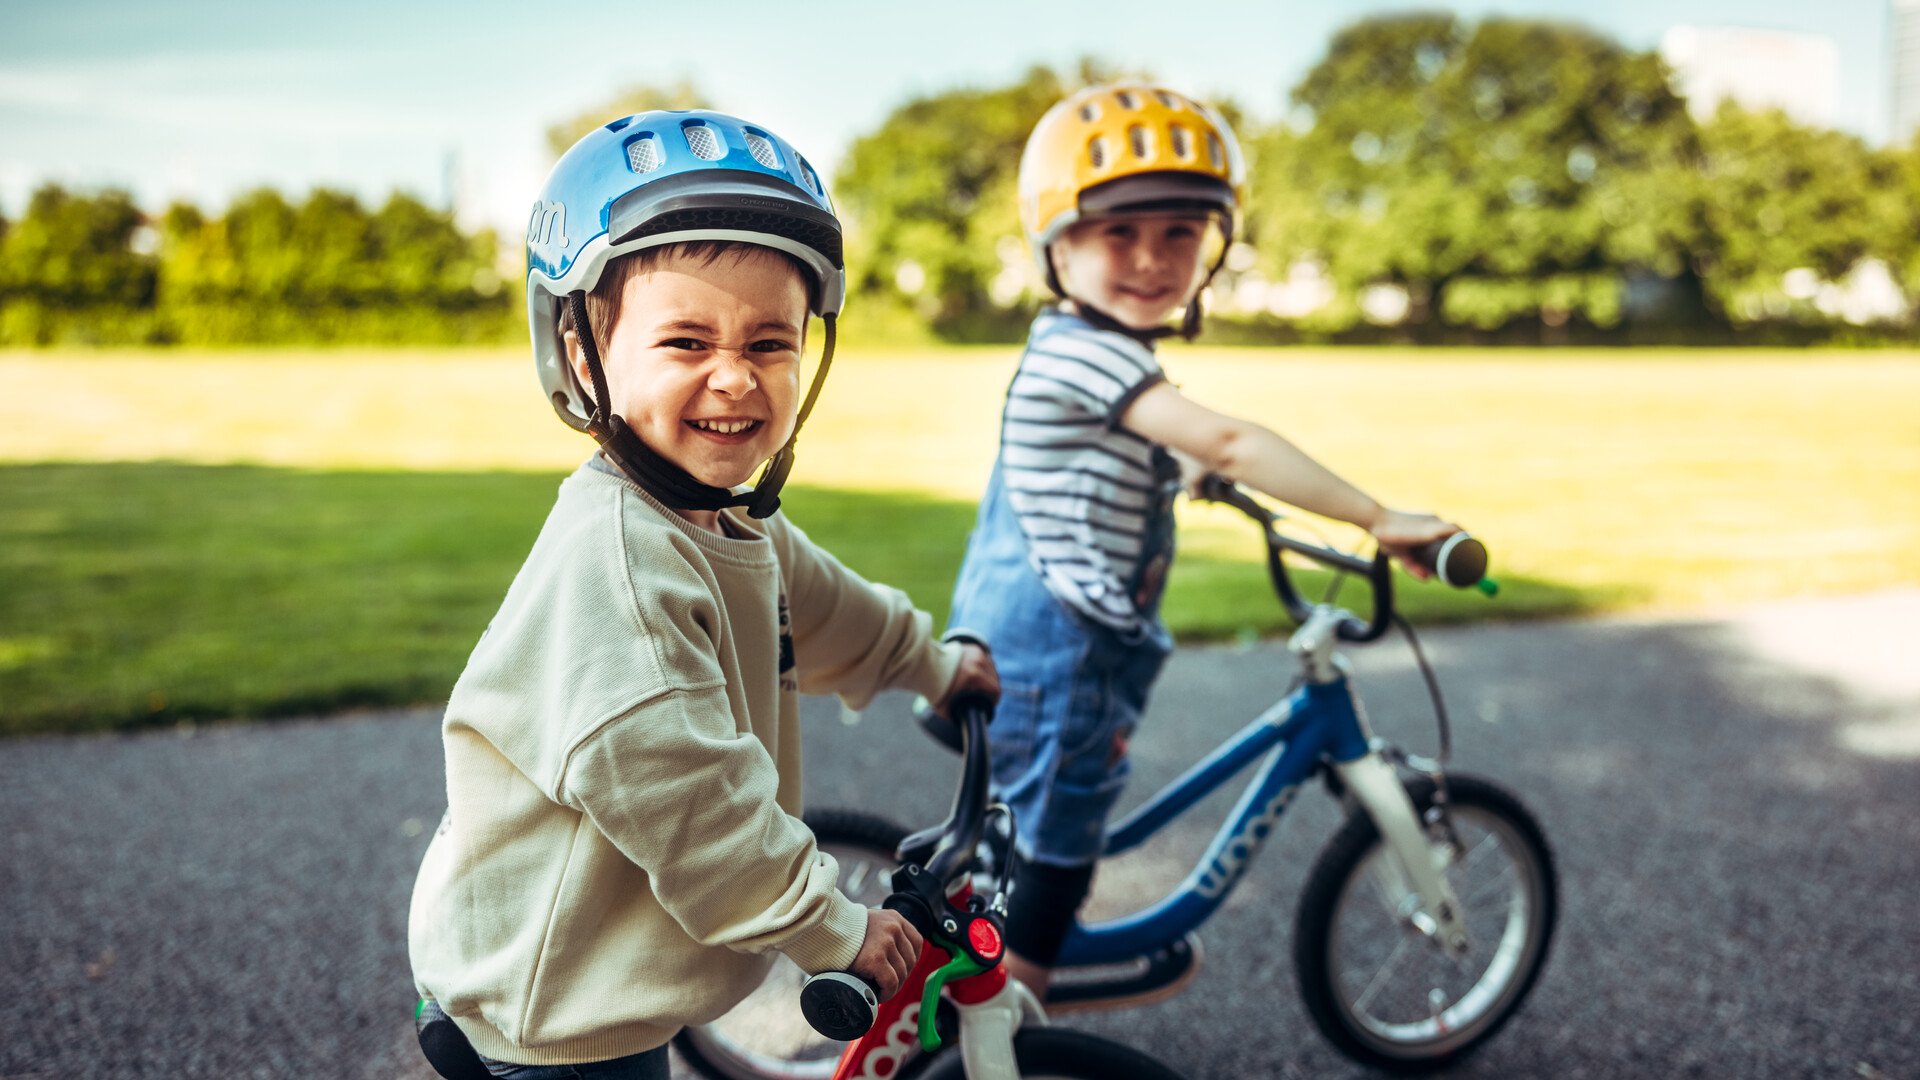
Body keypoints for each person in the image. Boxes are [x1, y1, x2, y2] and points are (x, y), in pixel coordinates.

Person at [408, 110, 998, 1080]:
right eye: (686, 341)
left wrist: (931, 665)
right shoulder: (621, 570)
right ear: (584, 357)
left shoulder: (724, 520)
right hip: (550, 1010)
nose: (736, 374)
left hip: (614, 985)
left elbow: (820, 601)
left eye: (772, 342)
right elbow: (692, 801)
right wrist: (831, 925)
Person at [945, 83, 1459, 1001]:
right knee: (1057, 857)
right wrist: (1378, 518)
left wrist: (1183, 474)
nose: (1152, 258)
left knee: (1041, 833)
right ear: (1056, 243)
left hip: (1042, 648)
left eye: (1181, 232)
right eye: (1119, 233)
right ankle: (1008, 1017)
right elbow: (1227, 437)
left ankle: (1018, 958)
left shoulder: (1083, 345)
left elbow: (1129, 450)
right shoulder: (1090, 354)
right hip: (1055, 662)